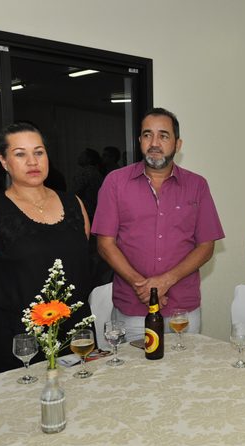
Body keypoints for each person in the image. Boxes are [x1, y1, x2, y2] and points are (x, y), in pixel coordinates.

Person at [0, 121, 92, 378]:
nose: (32, 161)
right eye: (20, 154)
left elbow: (78, 262)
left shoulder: (74, 204)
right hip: (16, 338)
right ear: (4, 162)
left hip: (72, 332)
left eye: (38, 152)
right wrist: (2, 309)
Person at [92, 108, 225, 337]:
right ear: (140, 141)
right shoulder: (115, 182)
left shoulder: (197, 185)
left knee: (187, 363)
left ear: (178, 144)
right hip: (132, 311)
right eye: (147, 135)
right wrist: (143, 287)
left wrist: (165, 281)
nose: (154, 143)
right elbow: (105, 244)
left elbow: (206, 246)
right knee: (133, 363)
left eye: (163, 136)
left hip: (182, 312)